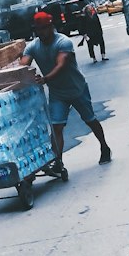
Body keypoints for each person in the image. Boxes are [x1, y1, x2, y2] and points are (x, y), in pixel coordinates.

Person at [20, 10, 111, 170]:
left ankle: (104, 146)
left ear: (51, 27)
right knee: (57, 127)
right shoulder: (33, 46)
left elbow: (61, 65)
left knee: (90, 120)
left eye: (44, 28)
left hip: (77, 89)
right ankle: (58, 161)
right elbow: (23, 65)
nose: (41, 32)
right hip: (57, 93)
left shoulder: (63, 42)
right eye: (38, 29)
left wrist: (45, 79)